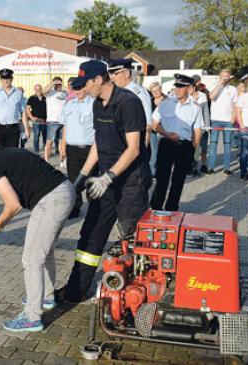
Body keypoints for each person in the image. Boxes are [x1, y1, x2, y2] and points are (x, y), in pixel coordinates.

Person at [0, 127, 75, 332]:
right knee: (43, 252)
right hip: (65, 190)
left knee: (31, 259)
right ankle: (46, 297)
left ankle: (32, 317)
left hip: (51, 199)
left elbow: (13, 205)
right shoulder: (6, 153)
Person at [60, 60, 151, 303]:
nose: (83, 90)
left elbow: (133, 149)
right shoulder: (97, 105)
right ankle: (76, 290)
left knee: (133, 242)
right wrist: (79, 179)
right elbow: (98, 146)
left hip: (130, 184)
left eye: (85, 85)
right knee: (90, 235)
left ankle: (134, 300)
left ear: (99, 79)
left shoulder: (128, 103)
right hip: (104, 182)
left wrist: (109, 176)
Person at [149, 74, 203, 211]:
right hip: (166, 144)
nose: (177, 90)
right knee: (162, 179)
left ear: (188, 88)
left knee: (178, 181)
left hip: (185, 146)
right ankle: (155, 207)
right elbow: (154, 124)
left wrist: (194, 149)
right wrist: (167, 134)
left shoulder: (195, 108)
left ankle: (171, 209)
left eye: (181, 87)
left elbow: (197, 131)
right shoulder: (165, 104)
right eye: (176, 86)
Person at [59, 80, 95, 219]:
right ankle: (75, 207)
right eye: (75, 90)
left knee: (91, 179)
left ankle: (93, 208)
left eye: (79, 89)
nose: (77, 92)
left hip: (89, 148)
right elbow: (65, 126)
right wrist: (63, 145)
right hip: (72, 149)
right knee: (73, 180)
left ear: (85, 88)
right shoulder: (69, 104)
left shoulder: (93, 104)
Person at [0, 68, 28, 147]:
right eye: (4, 79)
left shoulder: (18, 93)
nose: (6, 81)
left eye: (8, 78)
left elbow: (23, 112)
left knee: (12, 153)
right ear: (1, 80)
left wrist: (26, 129)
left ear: (12, 79)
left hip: (13, 128)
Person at [207, 69, 238, 175]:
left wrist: (233, 118)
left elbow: (235, 105)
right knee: (213, 144)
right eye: (223, 76)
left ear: (229, 77)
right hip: (215, 120)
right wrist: (219, 84)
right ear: (219, 77)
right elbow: (211, 97)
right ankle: (211, 167)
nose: (225, 78)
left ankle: (227, 167)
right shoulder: (214, 85)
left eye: (227, 76)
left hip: (228, 121)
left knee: (227, 144)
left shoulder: (233, 89)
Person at [188, 75, 210, 177]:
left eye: (190, 87)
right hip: (191, 128)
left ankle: (201, 166)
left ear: (194, 87)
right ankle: (193, 167)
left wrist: (207, 125)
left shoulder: (202, 96)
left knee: (203, 148)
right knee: (194, 148)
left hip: (201, 126)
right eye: (188, 87)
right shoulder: (187, 98)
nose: (189, 89)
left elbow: (206, 112)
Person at [43, 77, 68, 162]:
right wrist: (53, 83)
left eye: (59, 84)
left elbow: (72, 92)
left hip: (63, 121)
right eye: (56, 84)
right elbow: (44, 90)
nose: (58, 86)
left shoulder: (64, 93)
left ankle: (62, 160)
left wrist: (62, 85)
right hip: (52, 121)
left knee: (62, 143)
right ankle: (46, 161)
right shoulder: (50, 93)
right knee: (49, 142)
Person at [148, 81, 166, 176]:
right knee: (154, 151)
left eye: (157, 90)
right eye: (153, 91)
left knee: (163, 152)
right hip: (152, 130)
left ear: (160, 89)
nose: (155, 92)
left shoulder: (167, 99)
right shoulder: (149, 100)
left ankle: (161, 171)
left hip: (164, 129)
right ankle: (152, 172)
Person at [26, 84, 47, 154]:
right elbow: (27, 109)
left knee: (45, 137)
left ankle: (46, 151)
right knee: (36, 137)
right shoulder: (31, 98)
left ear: (41, 89)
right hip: (36, 121)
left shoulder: (46, 98)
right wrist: (31, 117)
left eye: (39, 89)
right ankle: (36, 152)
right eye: (36, 89)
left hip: (45, 120)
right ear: (34, 90)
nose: (38, 91)